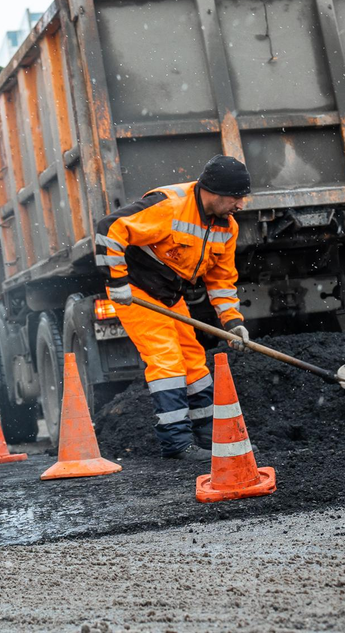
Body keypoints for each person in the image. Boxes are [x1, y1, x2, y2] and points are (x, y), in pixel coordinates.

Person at [95, 155, 252, 461]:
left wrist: (232, 321)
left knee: (194, 362)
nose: (241, 205)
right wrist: (117, 283)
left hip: (170, 294)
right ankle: (177, 444)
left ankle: (209, 438)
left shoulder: (227, 228)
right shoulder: (169, 206)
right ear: (216, 193)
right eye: (237, 198)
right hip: (139, 291)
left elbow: (221, 281)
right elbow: (109, 227)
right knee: (167, 363)